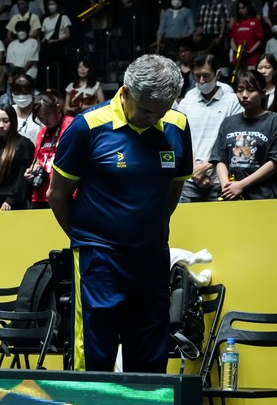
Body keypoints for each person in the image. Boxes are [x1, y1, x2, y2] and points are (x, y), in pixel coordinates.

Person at [48, 54, 191, 373]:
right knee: (95, 356)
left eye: (162, 111)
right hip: (99, 260)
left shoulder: (178, 125)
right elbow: (56, 194)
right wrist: (87, 240)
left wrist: (148, 230)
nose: (154, 119)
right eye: (146, 110)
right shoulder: (88, 127)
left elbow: (173, 189)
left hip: (152, 259)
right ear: (125, 92)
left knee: (152, 355)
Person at [209, 69, 277, 200]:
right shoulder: (228, 122)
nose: (244, 95)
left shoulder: (275, 121)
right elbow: (219, 159)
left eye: (251, 90)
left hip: (263, 196)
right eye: (240, 90)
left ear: (263, 93)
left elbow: (275, 162)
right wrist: (226, 186)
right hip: (231, 196)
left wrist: (241, 185)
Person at [175, 53, 242, 202]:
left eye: (206, 76)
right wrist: (195, 171)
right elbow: (181, 138)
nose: (201, 81)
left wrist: (205, 168)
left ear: (217, 75)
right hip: (189, 180)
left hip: (221, 180)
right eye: (197, 76)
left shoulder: (232, 101)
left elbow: (231, 141)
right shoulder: (186, 102)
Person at [26, 91, 70, 209]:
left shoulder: (72, 125)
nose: (44, 120)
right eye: (40, 117)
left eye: (47, 115)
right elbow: (37, 160)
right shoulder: (42, 132)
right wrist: (32, 170)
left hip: (64, 193)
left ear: (58, 108)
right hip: (40, 194)